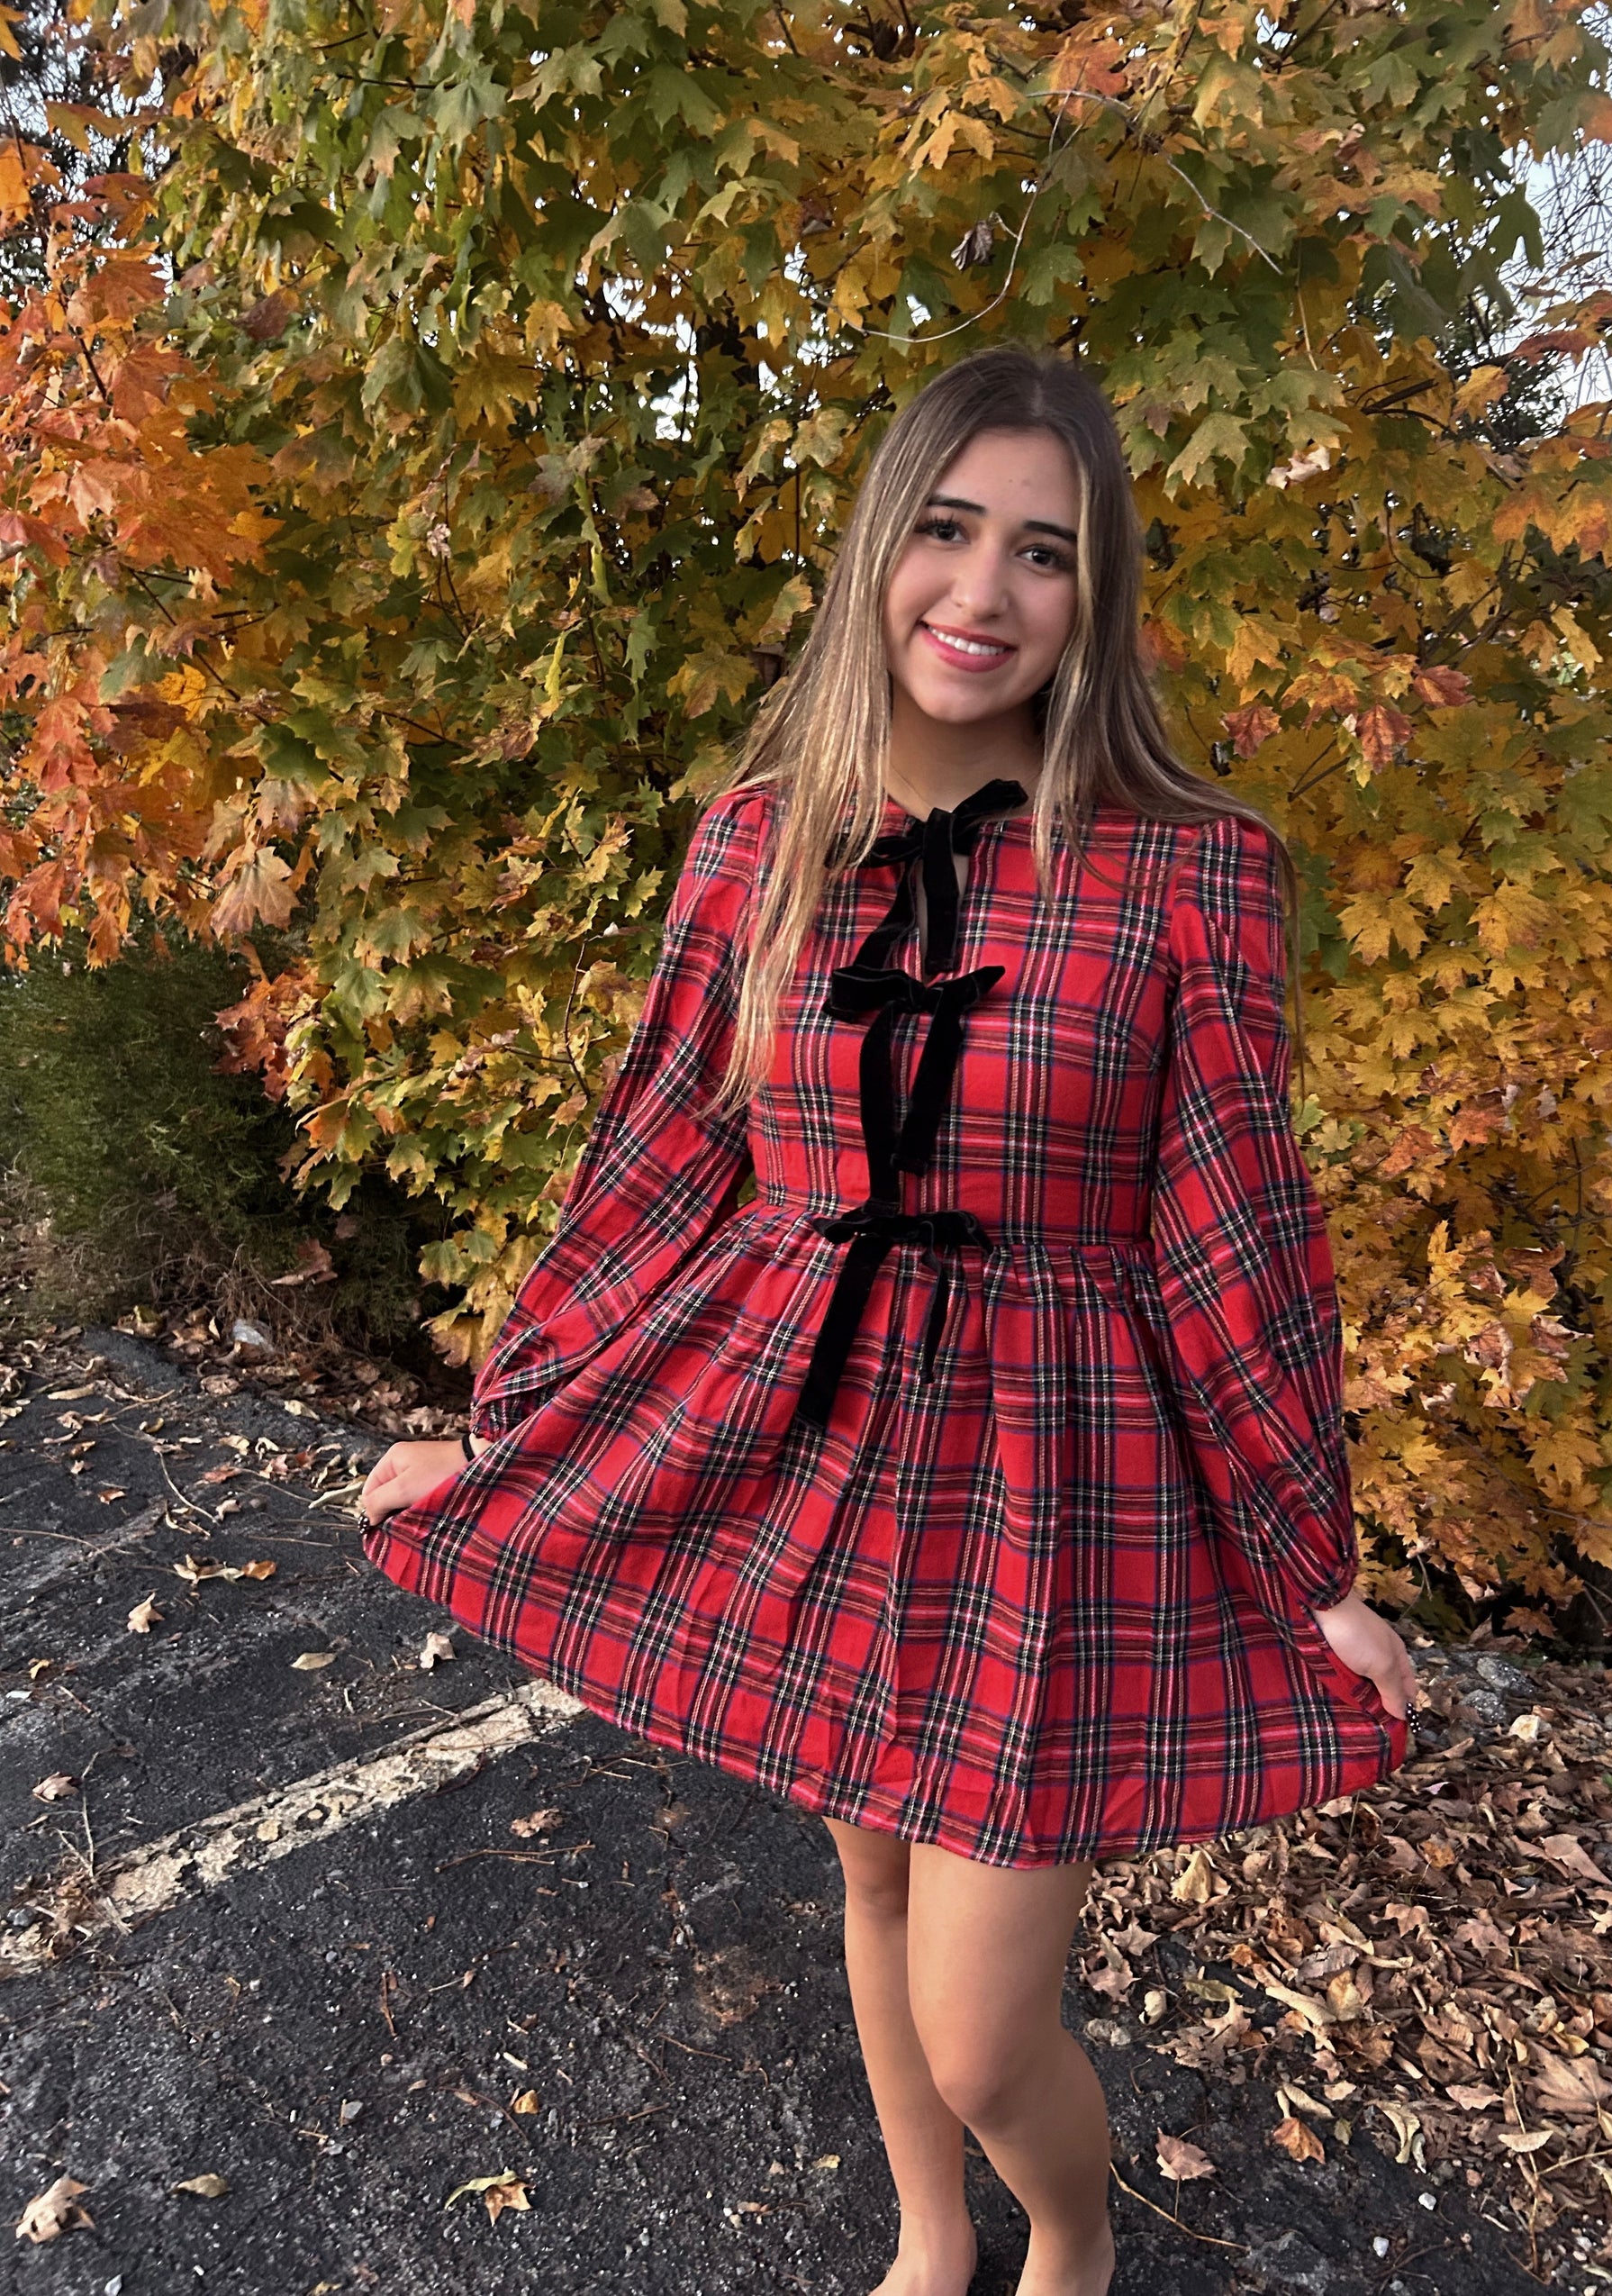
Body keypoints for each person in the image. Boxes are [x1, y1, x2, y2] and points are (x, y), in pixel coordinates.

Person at [358, 343, 1416, 2296]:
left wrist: (1311, 1567)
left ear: (1093, 594)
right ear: (878, 552)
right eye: (945, 530)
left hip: (1049, 1492)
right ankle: (931, 2239)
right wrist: (510, 1435)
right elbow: (661, 1157)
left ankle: (1070, 2248)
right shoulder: (761, 842)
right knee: (867, 1873)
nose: (983, 591)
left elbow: (1235, 1239)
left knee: (985, 2030)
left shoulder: (1189, 871)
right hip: (815, 1451)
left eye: (1043, 550)